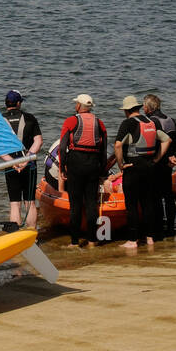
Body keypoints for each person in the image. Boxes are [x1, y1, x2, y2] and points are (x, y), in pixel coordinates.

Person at [114, 95, 170, 249]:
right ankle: (150, 237)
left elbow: (118, 146)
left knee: (131, 205)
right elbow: (167, 140)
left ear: (126, 110)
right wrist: (157, 158)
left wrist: (121, 165)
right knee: (147, 203)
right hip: (150, 167)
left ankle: (133, 240)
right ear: (138, 108)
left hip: (133, 167)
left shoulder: (127, 123)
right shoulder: (151, 122)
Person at [58, 94, 112, 248]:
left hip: (75, 164)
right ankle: (92, 240)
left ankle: (74, 242)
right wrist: (102, 170)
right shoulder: (99, 123)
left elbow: (62, 147)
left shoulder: (71, 121)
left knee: (75, 204)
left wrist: (62, 168)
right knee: (90, 203)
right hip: (93, 164)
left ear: (78, 107)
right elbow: (103, 150)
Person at [0, 90, 43, 229]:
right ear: (18, 103)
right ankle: (32, 236)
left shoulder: (0, 120)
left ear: (6, 104)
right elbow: (38, 141)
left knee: (14, 203)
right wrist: (26, 160)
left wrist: (11, 162)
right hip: (29, 165)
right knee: (29, 202)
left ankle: (15, 236)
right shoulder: (30, 118)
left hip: (11, 166)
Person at [144, 93, 176, 237]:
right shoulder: (170, 120)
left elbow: (153, 144)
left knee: (155, 196)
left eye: (144, 105)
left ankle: (158, 227)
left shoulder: (150, 122)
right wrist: (173, 157)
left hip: (156, 163)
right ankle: (171, 228)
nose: (143, 108)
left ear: (148, 108)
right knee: (168, 195)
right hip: (168, 165)